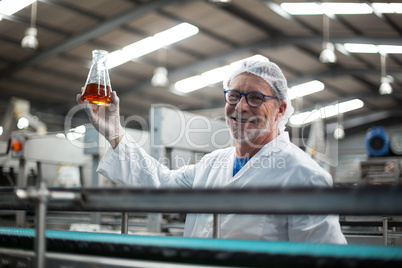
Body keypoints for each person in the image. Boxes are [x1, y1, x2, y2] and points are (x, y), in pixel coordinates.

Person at [77, 56, 347, 244]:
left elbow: (325, 259)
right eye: (234, 95)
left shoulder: (305, 177)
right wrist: (114, 130)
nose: (241, 107)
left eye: (255, 98)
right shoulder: (212, 164)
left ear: (281, 110)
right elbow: (158, 183)